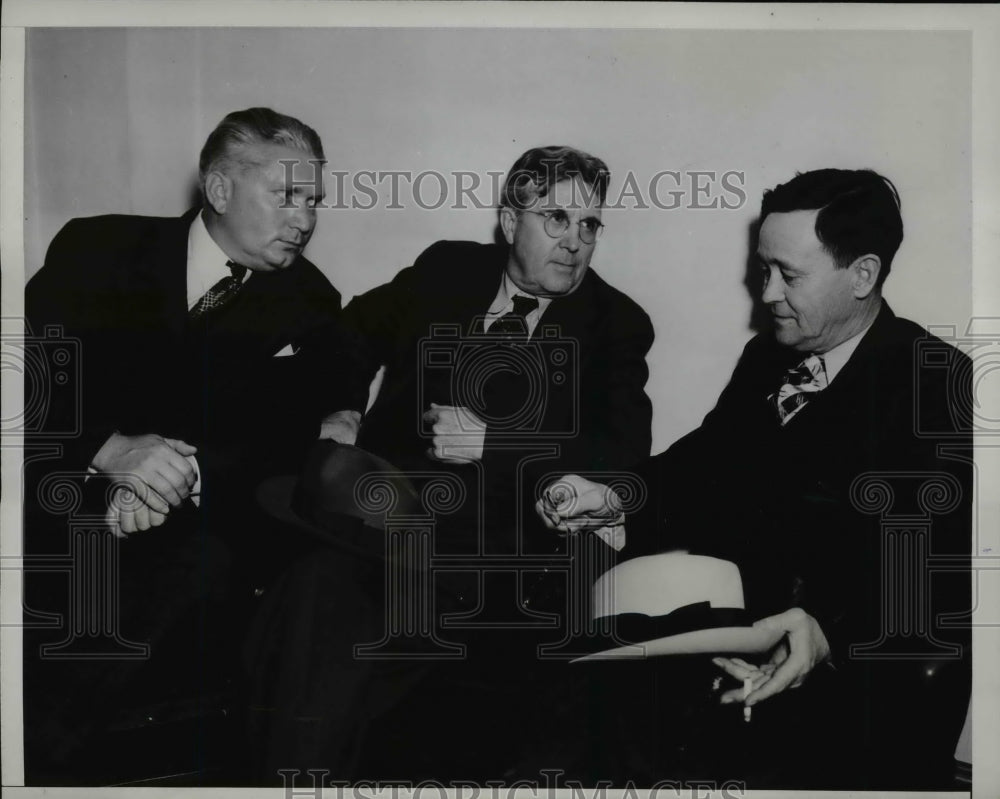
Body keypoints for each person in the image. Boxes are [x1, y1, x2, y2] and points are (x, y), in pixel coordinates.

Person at [537, 168, 972, 789]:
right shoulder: (768, 356)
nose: (765, 293)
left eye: (788, 275)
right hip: (742, 638)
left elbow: (930, 563)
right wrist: (615, 497)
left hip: (862, 671)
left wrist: (826, 631)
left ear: (863, 275)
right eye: (762, 268)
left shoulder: (938, 383)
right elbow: (704, 463)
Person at [246, 145, 655, 782]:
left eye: (590, 225)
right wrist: (343, 407)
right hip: (372, 527)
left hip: (486, 561)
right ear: (508, 220)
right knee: (315, 593)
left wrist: (496, 445)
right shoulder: (446, 270)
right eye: (555, 217)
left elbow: (625, 455)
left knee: (319, 626)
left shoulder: (616, 325)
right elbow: (350, 334)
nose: (575, 241)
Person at [23, 107, 348, 783]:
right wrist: (110, 451)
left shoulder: (312, 302)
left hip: (180, 519)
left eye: (314, 200)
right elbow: (26, 381)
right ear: (221, 189)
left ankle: (34, 764)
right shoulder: (98, 250)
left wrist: (173, 476)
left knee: (199, 561)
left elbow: (276, 444)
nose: (306, 219)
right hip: (54, 479)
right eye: (286, 196)